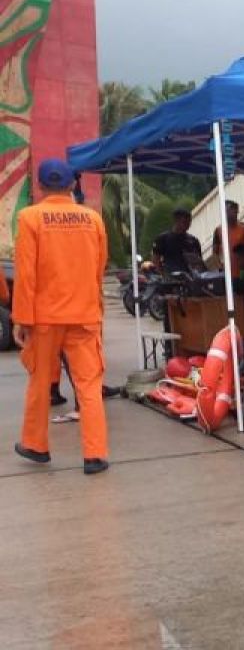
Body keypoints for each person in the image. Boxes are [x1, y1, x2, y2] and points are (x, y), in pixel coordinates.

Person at [13, 159, 110, 474]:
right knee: (89, 385)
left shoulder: (30, 218)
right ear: (71, 185)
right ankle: (95, 455)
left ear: (40, 186)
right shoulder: (92, 220)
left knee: (40, 383)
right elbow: (99, 266)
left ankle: (36, 445)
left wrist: (21, 320)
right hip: (84, 315)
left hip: (44, 318)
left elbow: (26, 274)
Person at [152, 208, 203, 275]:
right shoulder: (163, 239)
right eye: (185, 222)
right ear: (176, 221)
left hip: (190, 278)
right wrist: (163, 275)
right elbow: (156, 259)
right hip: (171, 278)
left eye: (189, 222)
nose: (188, 225)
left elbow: (199, 261)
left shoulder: (193, 240)